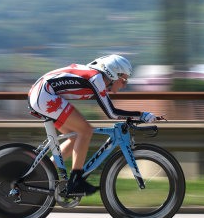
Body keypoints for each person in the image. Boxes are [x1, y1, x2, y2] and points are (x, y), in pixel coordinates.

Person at [28, 54, 157, 196]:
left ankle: (42, 175)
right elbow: (112, 113)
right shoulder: (97, 78)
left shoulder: (96, 77)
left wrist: (137, 116)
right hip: (44, 95)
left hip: (41, 94)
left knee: (76, 135)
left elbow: (110, 110)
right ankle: (75, 181)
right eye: (124, 79)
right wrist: (142, 115)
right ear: (113, 74)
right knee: (85, 131)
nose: (125, 84)